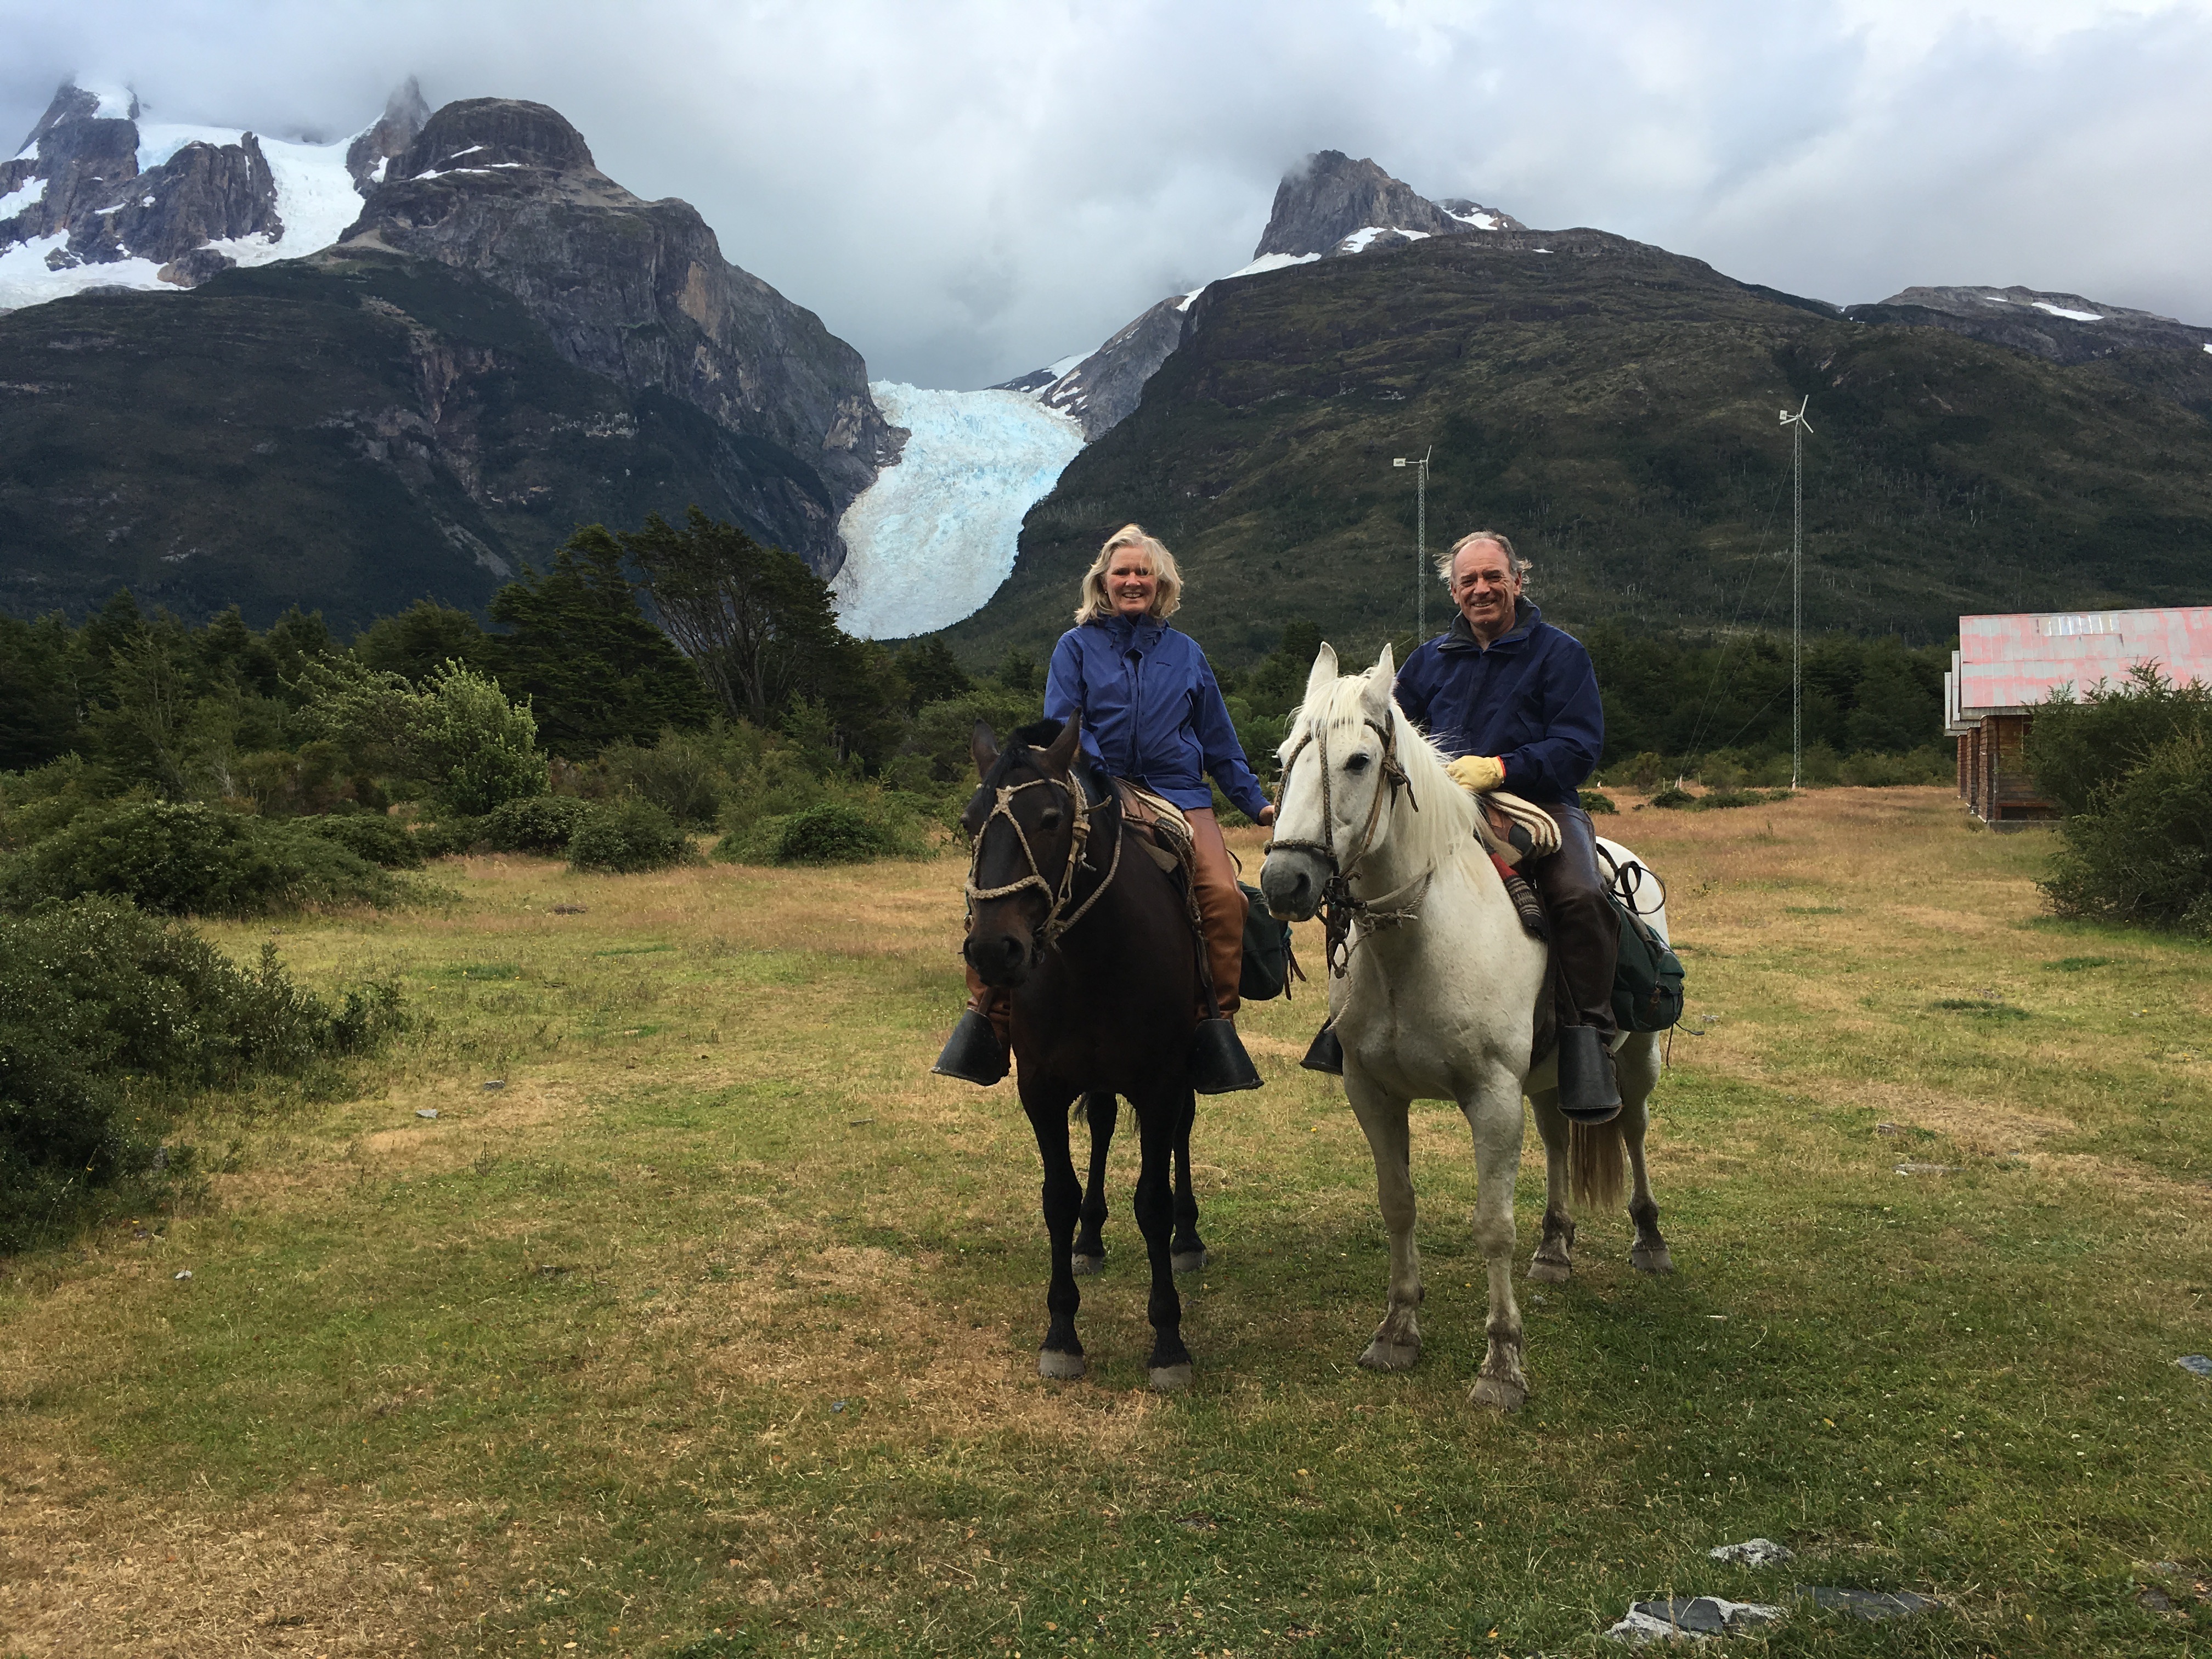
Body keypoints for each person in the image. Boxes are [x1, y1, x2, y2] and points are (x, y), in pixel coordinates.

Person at [935, 523, 1276, 1094]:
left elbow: (1219, 741)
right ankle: (990, 1022)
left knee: (1222, 895)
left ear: (1161, 582)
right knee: (1003, 884)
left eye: (1143, 571)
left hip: (1179, 794)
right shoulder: (1075, 647)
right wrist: (1097, 780)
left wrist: (1256, 803)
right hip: (1097, 787)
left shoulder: (1188, 654)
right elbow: (1065, 723)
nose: (1133, 581)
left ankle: (1212, 1025)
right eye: (1122, 572)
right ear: (1103, 582)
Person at [1306, 529, 1622, 1121]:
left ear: (1517, 582)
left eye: (1492, 577)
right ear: (1454, 591)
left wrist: (1504, 766)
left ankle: (1588, 1041)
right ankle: (1347, 1021)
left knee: (1579, 895)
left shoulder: (1560, 653)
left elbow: (1580, 745)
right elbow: (1392, 732)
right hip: (1444, 805)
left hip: (1538, 802)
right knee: (1354, 879)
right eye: (1469, 581)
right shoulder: (1430, 660)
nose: (1482, 590)